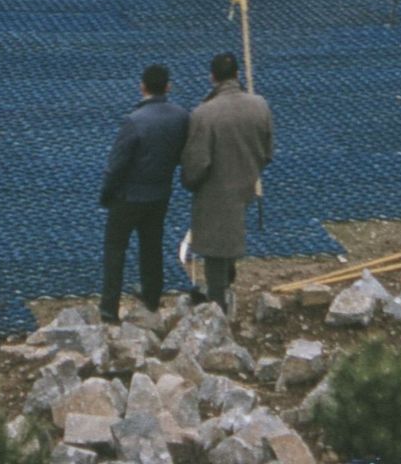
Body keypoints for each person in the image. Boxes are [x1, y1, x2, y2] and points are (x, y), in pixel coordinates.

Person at [179, 50, 272, 317]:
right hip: (244, 186)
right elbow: (267, 152)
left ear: (212, 77)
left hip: (214, 192)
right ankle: (224, 295)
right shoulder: (260, 106)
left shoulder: (204, 113)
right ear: (237, 74)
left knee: (214, 252)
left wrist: (190, 181)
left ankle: (217, 313)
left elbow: (197, 163)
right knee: (230, 240)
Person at [97, 62, 190, 324]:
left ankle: (109, 308)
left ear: (142, 87)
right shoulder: (181, 116)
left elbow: (117, 164)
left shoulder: (134, 121)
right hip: (159, 194)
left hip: (128, 197)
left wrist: (106, 194)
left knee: (115, 249)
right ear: (168, 87)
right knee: (152, 246)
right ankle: (151, 296)